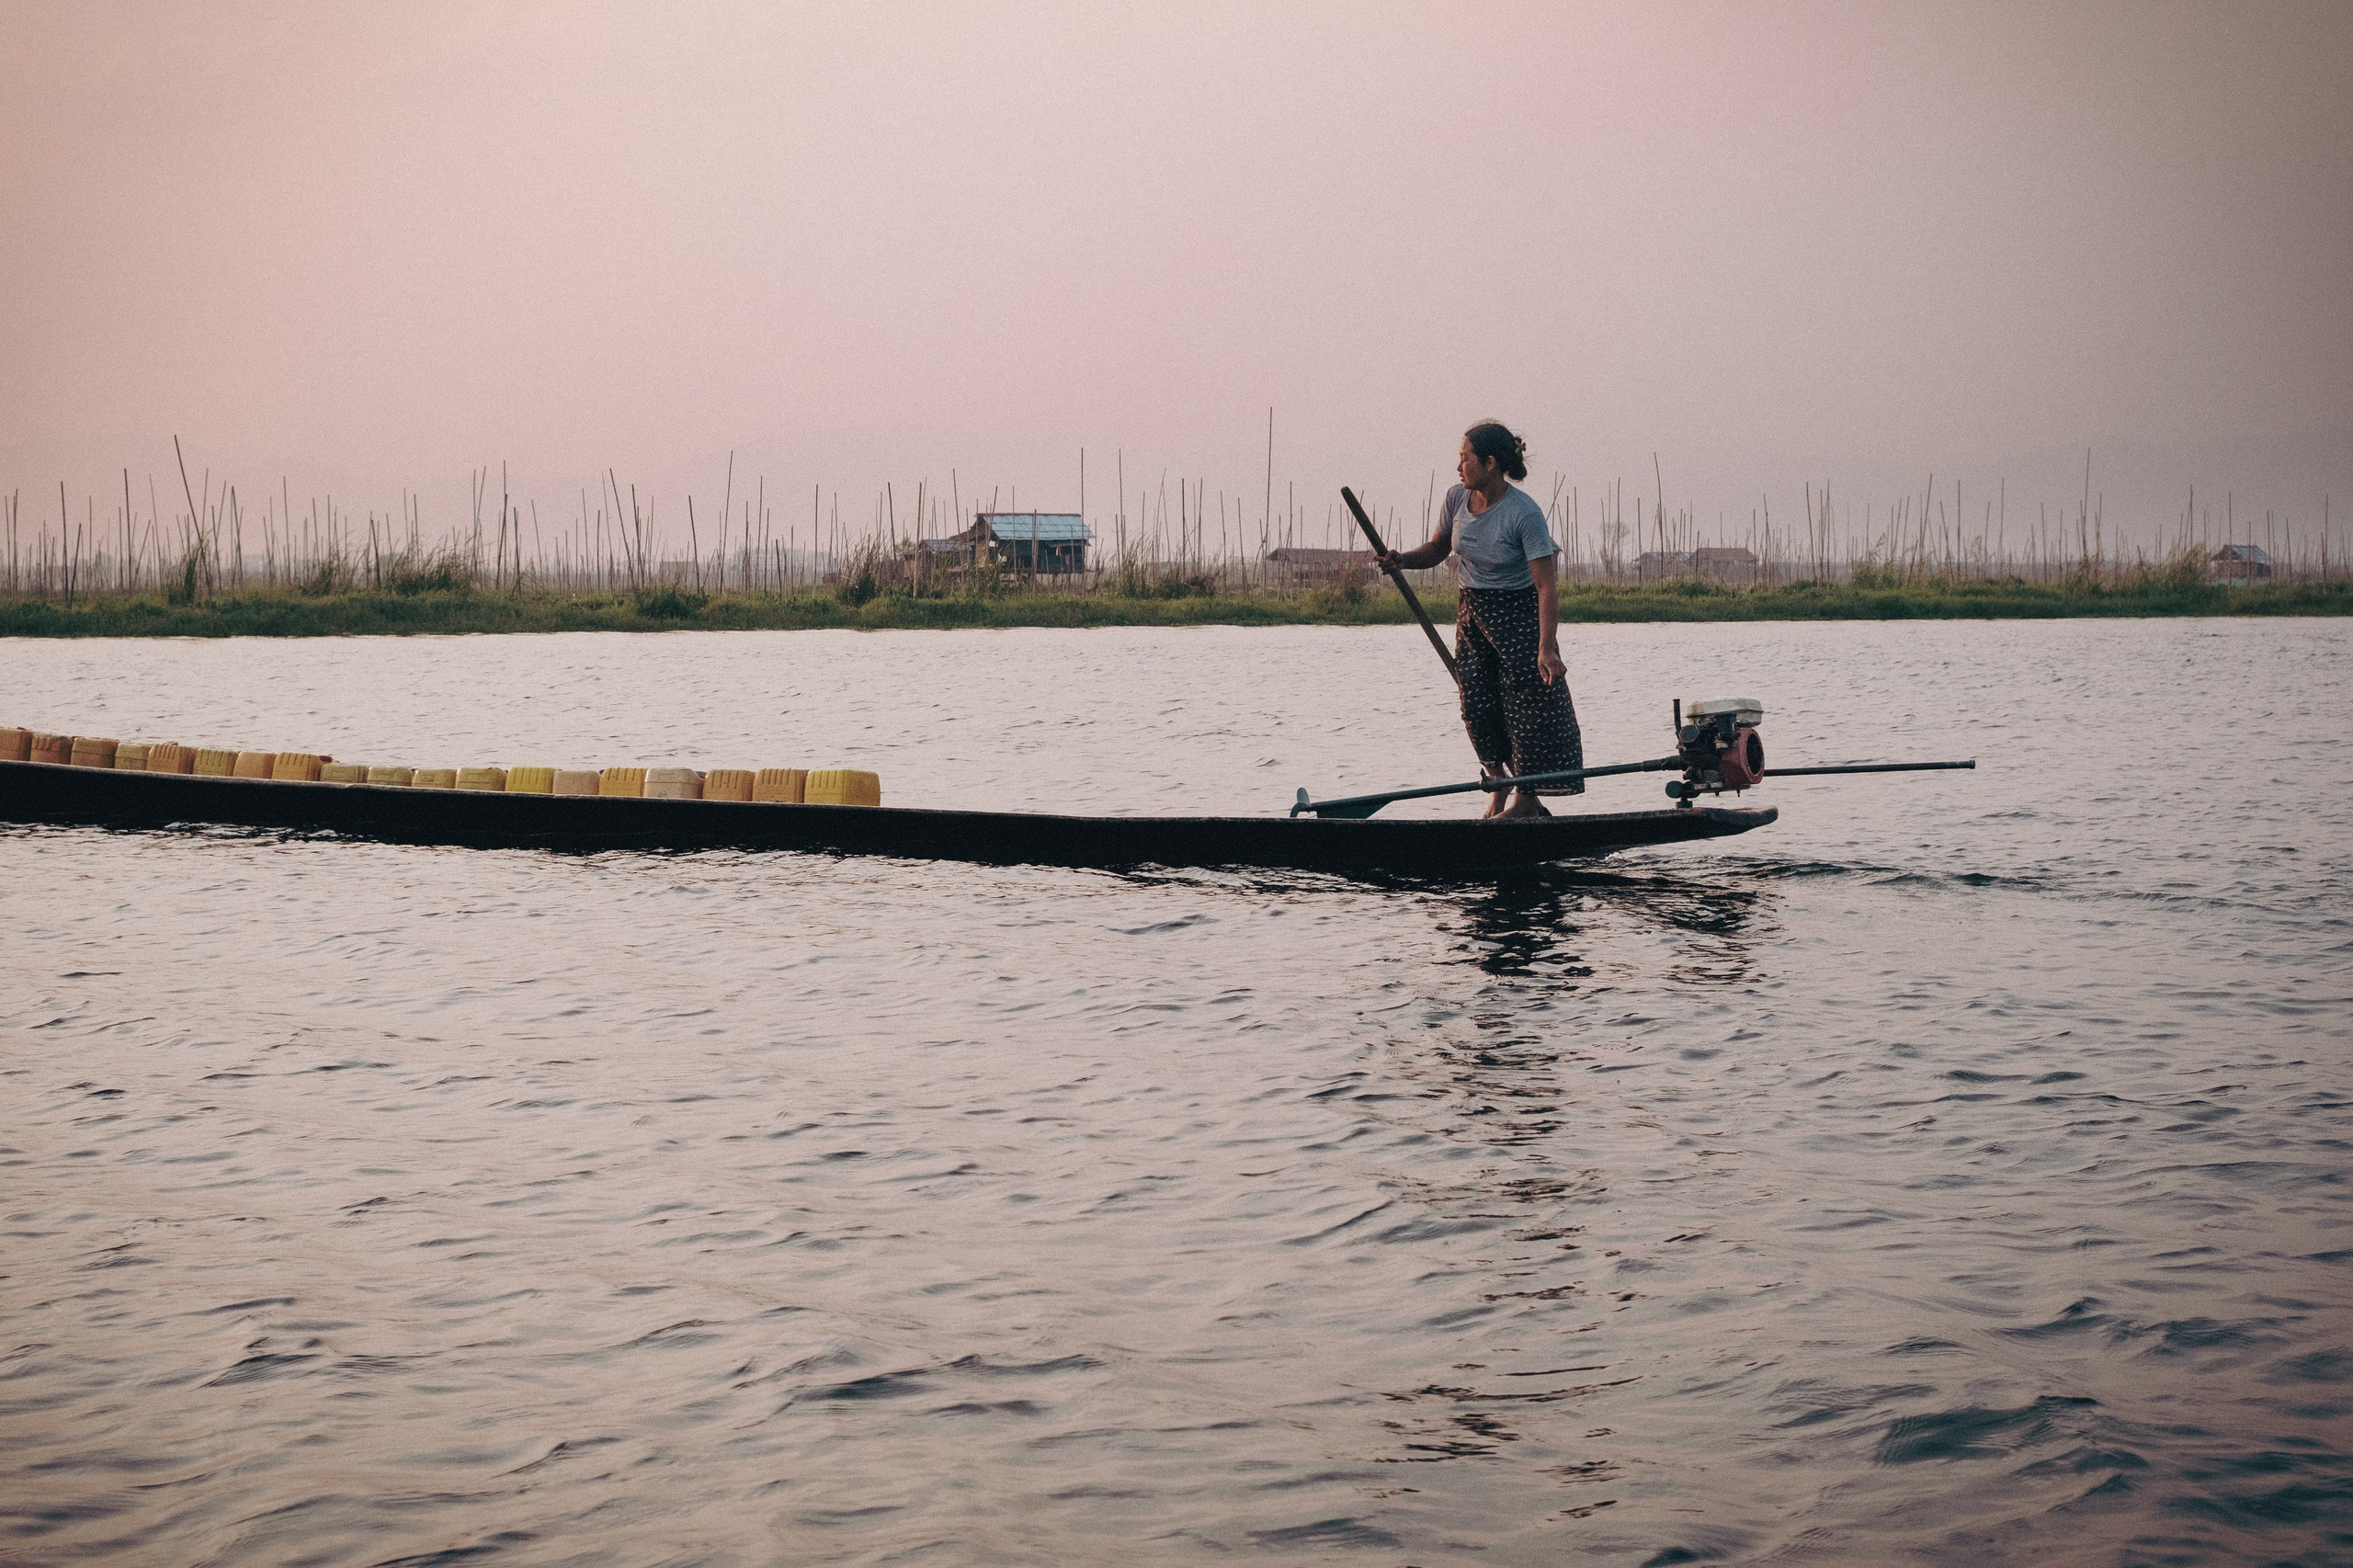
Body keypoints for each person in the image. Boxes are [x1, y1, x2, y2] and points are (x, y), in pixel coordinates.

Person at [1376, 420, 1583, 818]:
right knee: (1475, 704)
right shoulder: (1457, 499)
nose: (1458, 467)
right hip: (1473, 612)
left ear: (1489, 463)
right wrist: (1401, 559)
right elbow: (1437, 549)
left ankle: (1527, 800)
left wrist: (1546, 647)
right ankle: (1498, 785)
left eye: (1464, 458)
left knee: (1524, 707)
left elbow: (1546, 587)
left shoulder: (1524, 514)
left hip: (1518, 615)